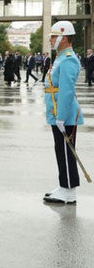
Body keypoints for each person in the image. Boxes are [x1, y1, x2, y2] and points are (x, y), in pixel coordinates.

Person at [43, 21, 84, 204]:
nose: (51, 40)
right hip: (57, 112)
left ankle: (69, 192)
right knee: (61, 150)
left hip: (64, 114)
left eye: (53, 36)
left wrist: (61, 116)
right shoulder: (60, 57)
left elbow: (67, 90)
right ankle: (64, 185)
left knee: (67, 152)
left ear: (63, 37)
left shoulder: (68, 59)